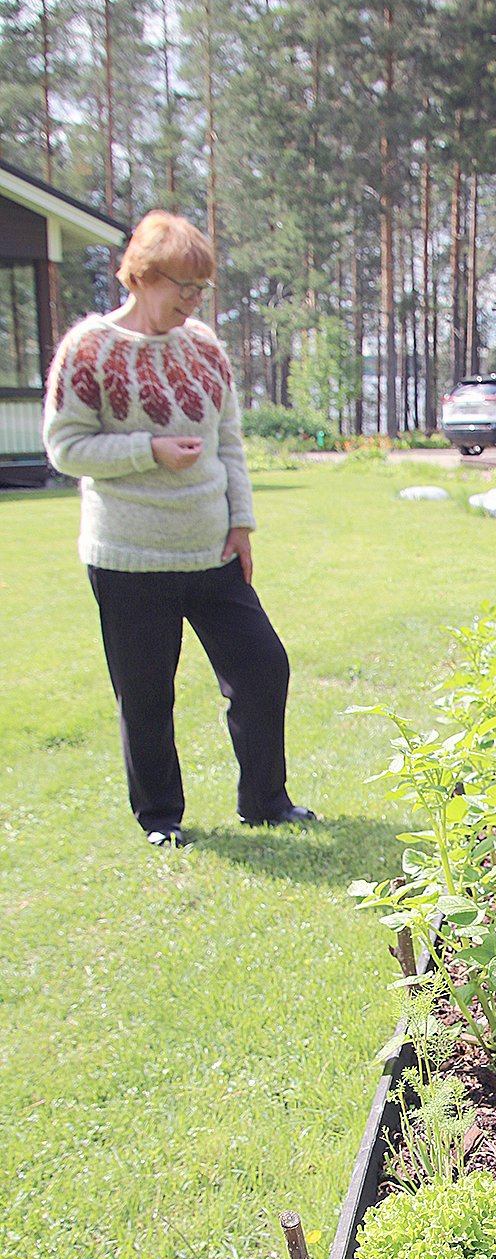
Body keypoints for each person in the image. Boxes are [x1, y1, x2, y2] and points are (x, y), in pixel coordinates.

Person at [43, 210, 316, 847]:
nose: (192, 302)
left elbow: (230, 443)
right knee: (145, 693)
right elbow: (65, 448)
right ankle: (161, 818)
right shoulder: (90, 350)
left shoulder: (203, 349)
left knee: (262, 668)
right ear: (140, 276)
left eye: (201, 289)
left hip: (210, 552)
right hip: (128, 556)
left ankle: (266, 802)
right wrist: (150, 449)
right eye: (182, 287)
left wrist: (242, 524)